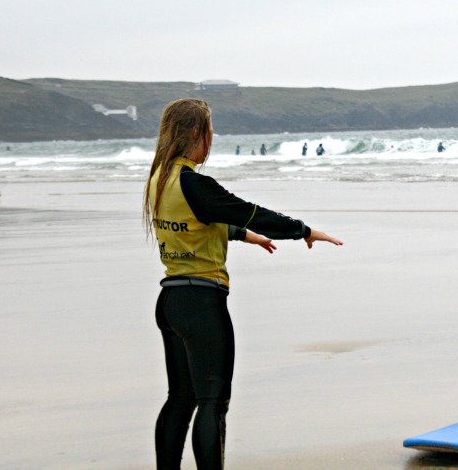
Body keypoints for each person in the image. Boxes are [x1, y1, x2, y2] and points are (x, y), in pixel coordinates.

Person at [143, 99, 343, 469]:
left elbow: (195, 221)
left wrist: (243, 236)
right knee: (212, 402)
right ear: (195, 134)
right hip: (202, 303)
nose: (211, 140)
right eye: (210, 133)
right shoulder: (195, 183)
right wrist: (303, 231)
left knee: (180, 399)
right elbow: (251, 212)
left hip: (170, 301)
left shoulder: (160, 179)